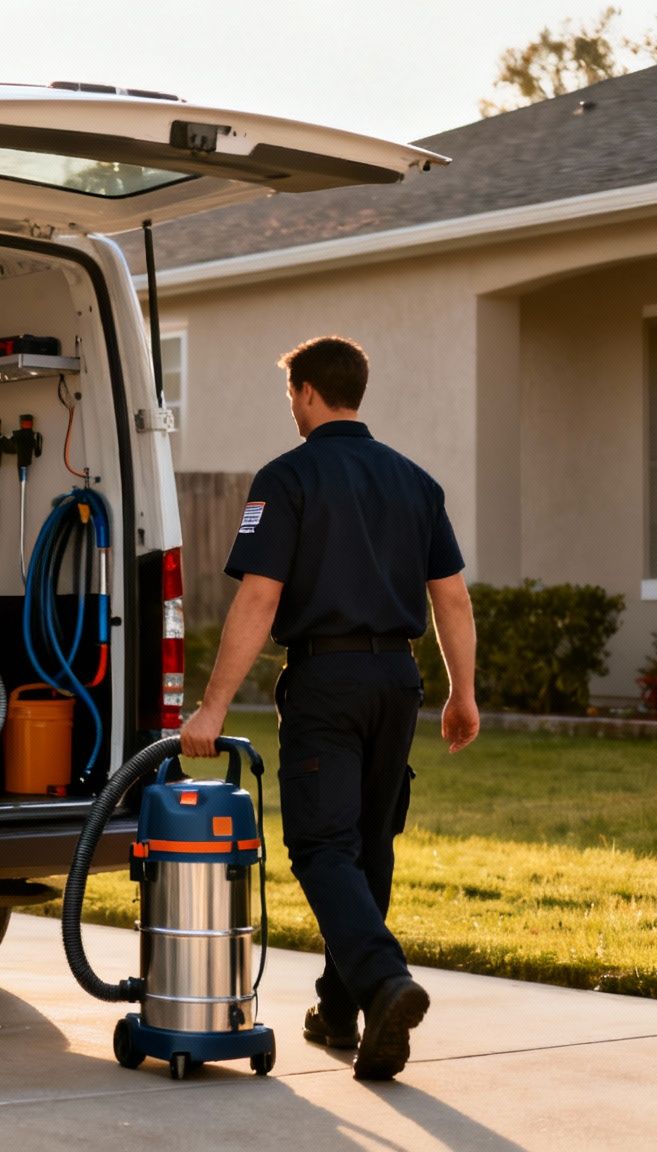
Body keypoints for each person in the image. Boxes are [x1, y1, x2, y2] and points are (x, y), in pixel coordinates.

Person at [179, 335, 479, 1083]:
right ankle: (342, 1010)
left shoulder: (288, 477)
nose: (291, 408)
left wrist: (213, 708)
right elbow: (453, 597)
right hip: (397, 683)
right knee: (369, 848)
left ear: (309, 393)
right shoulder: (416, 482)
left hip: (326, 684)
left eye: (291, 395)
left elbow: (259, 594)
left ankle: (383, 983)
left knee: (322, 847)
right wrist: (463, 693)